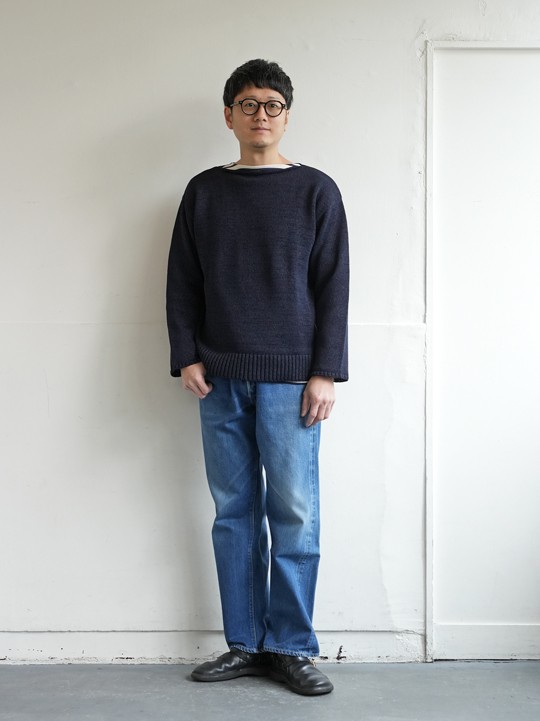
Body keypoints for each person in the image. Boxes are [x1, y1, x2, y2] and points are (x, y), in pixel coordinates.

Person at [166, 59, 349, 696]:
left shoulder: (316, 191)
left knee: (294, 512)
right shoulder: (204, 191)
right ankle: (245, 643)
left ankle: (291, 646)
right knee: (234, 513)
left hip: (294, 381)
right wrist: (186, 354)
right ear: (229, 116)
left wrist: (326, 371)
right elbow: (183, 280)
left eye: (272, 105)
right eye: (248, 104)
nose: (260, 115)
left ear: (286, 116)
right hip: (218, 377)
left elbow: (333, 286)